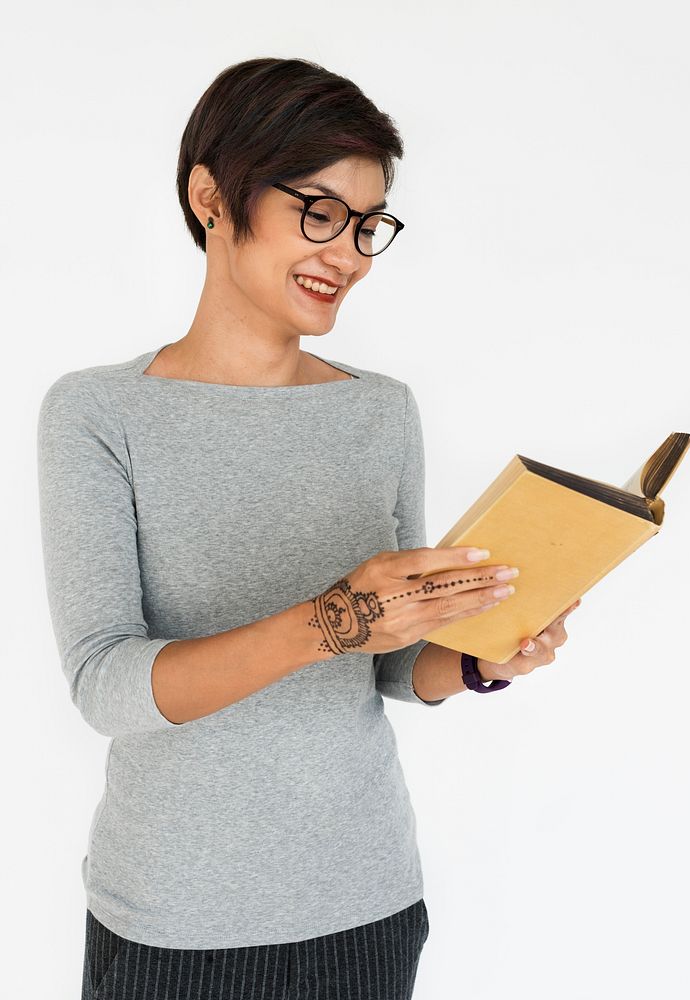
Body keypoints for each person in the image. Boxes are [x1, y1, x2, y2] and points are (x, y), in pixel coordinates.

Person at [36, 56, 580, 1000]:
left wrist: (487, 653)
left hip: (367, 907)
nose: (349, 254)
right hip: (175, 919)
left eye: (367, 226)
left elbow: (393, 667)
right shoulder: (97, 415)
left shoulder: (381, 412)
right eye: (318, 212)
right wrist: (329, 620)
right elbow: (104, 685)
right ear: (211, 196)